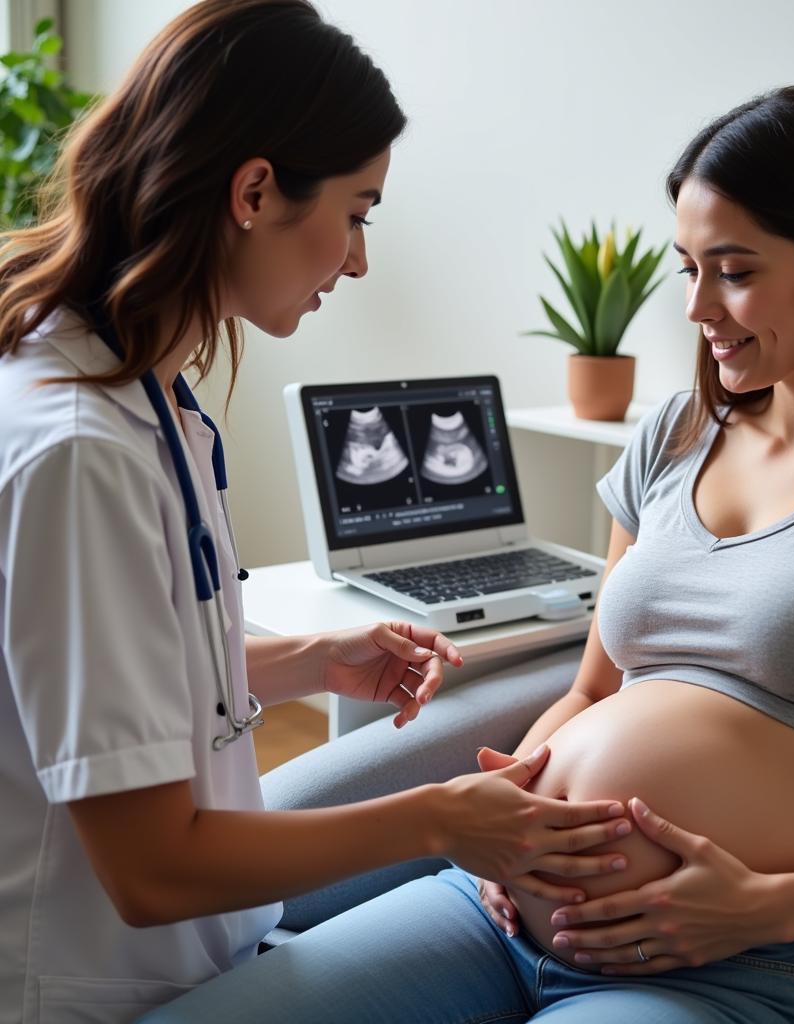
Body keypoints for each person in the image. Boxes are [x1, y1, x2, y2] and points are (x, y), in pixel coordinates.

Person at [140, 84, 794, 1024]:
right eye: (687, 267)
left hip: (722, 960)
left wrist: (771, 905)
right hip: (491, 912)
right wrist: (506, 816)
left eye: (733, 270)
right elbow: (594, 690)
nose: (696, 308)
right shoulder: (679, 433)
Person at [0, 3, 634, 1022]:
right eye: (360, 210)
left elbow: (86, 686)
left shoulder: (147, 392)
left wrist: (303, 661)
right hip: (96, 987)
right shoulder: (81, 449)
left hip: (206, 946)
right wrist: (439, 821)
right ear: (255, 190)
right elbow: (153, 867)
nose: (360, 258)